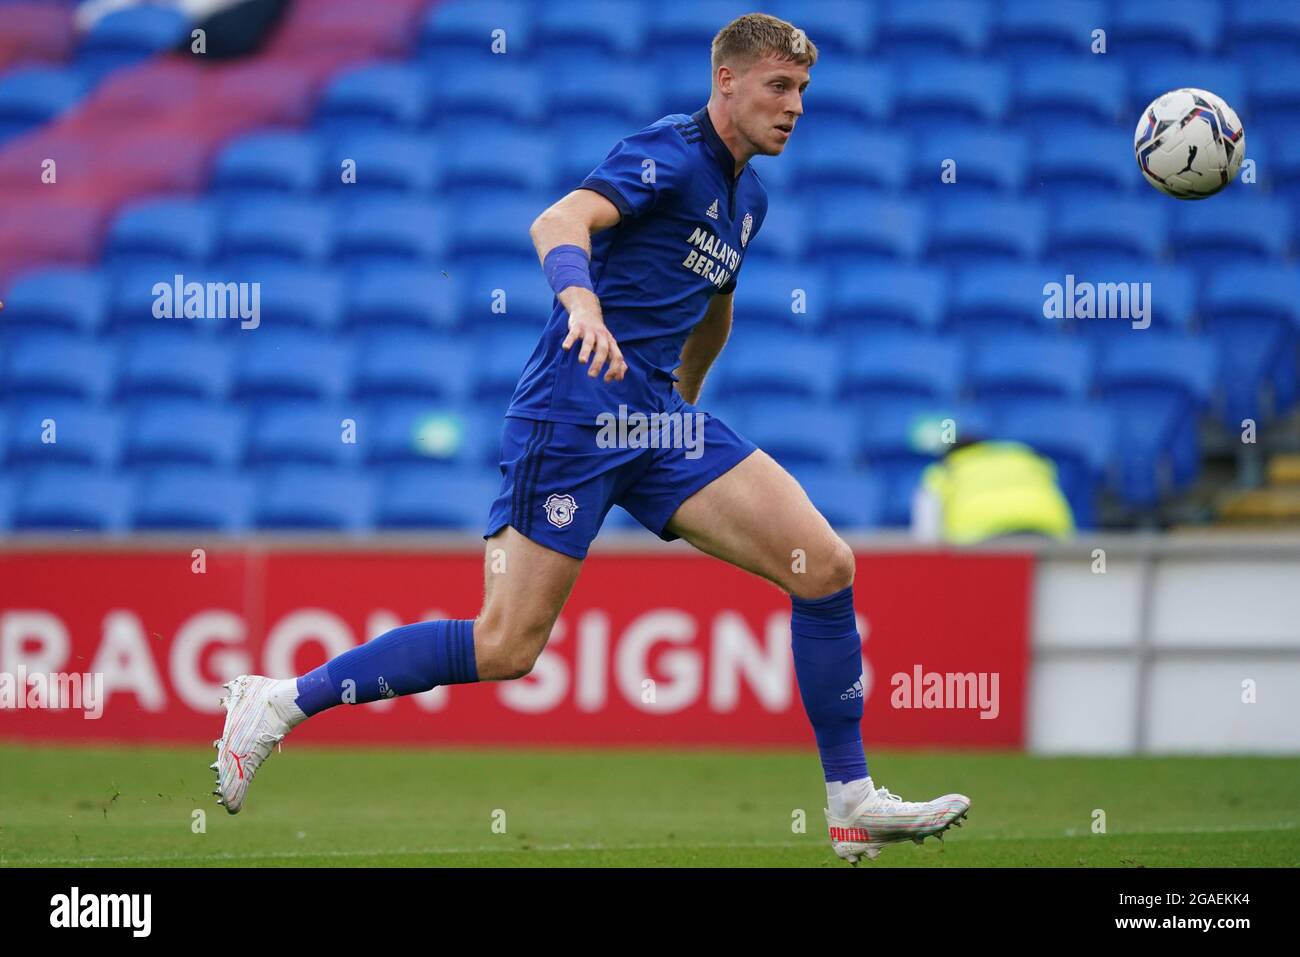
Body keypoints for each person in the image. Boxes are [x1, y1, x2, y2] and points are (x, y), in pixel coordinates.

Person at [211, 12, 969, 865]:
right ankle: (277, 702)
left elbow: (713, 307)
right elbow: (556, 221)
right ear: (726, 81)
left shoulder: (746, 198)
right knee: (506, 646)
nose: (794, 106)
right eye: (777, 87)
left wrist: (684, 402)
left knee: (825, 566)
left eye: (802, 91)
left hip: (656, 419)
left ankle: (851, 799)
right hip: (572, 413)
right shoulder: (669, 153)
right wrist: (580, 302)